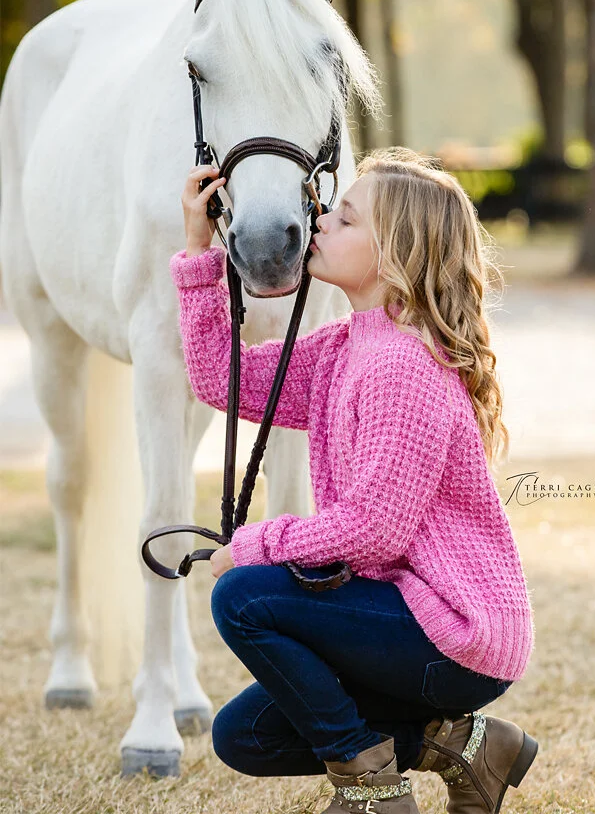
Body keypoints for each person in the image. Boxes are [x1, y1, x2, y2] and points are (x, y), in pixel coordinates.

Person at [168, 147, 538, 814]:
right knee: (245, 735)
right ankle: (465, 746)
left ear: (393, 252)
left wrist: (252, 545)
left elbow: (372, 530)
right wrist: (200, 249)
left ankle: (372, 789)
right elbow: (218, 378)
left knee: (246, 596)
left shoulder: (402, 364)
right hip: (404, 619)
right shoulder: (347, 346)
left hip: (454, 633)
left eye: (342, 219)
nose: (319, 225)